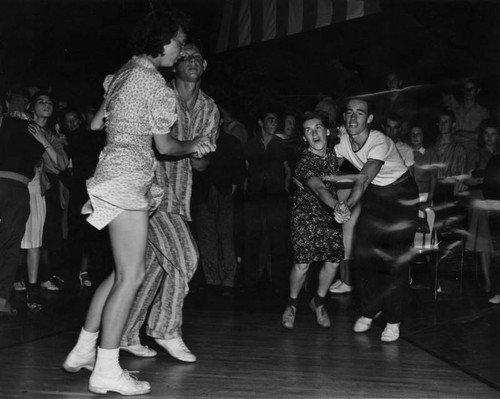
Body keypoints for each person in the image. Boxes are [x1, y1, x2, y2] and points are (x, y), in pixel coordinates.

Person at [62, 12, 215, 396]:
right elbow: (165, 147)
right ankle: (107, 369)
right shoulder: (155, 86)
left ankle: (83, 350)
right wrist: (194, 143)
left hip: (110, 175)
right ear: (161, 42)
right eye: (178, 44)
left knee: (120, 273)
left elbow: (97, 124)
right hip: (129, 181)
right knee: (132, 276)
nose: (180, 53)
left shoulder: (123, 74)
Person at [120, 39, 219, 363]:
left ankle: (126, 334)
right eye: (185, 55)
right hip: (147, 193)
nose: (191, 60)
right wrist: (191, 144)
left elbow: (200, 164)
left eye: (197, 57)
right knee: (187, 258)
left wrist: (200, 151)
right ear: (175, 64)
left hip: (179, 198)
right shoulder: (159, 94)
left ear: (204, 66)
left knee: (155, 268)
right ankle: (165, 328)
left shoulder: (209, 109)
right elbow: (158, 145)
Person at [327, 97, 419, 343]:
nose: (353, 118)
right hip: (377, 196)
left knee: (395, 261)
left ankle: (393, 321)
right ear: (344, 118)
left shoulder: (379, 141)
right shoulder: (343, 142)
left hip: (401, 197)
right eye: (349, 113)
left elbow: (364, 179)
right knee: (363, 255)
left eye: (360, 113)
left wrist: (345, 206)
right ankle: (370, 310)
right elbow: (326, 169)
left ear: (369, 119)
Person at [281, 111, 347, 330]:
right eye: (308, 131)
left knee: (334, 261)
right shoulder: (304, 163)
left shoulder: (336, 154)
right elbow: (320, 189)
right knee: (302, 263)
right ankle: (291, 305)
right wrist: (338, 205)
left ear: (327, 131)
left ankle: (318, 302)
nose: (314, 133)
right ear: (304, 138)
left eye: (318, 127)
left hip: (330, 216)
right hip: (306, 215)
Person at [20, 92, 68, 311]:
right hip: (13, 186)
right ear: (32, 106)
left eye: (50, 102)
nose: (46, 105)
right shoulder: (19, 123)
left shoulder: (52, 135)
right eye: (41, 101)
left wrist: (43, 140)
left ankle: (32, 292)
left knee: (34, 242)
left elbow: (61, 165)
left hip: (35, 188)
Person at [193, 110, 245, 295]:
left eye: (215, 119)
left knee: (226, 236)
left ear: (221, 121)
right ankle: (212, 280)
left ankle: (229, 279)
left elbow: (240, 168)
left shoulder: (231, 142)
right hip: (204, 195)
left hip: (224, 194)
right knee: (207, 238)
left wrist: (233, 187)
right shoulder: (198, 141)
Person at [243, 108, 292, 295]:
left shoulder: (281, 145)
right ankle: (249, 282)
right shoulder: (251, 145)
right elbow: (246, 169)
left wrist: (285, 188)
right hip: (254, 196)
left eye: (275, 119)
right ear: (261, 122)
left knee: (278, 239)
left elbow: (288, 169)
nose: (274, 123)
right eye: (270, 119)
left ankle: (279, 283)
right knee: (252, 238)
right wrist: (246, 192)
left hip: (276, 196)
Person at [463, 120, 500, 294]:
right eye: (486, 133)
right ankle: (487, 282)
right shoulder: (475, 153)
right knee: (484, 243)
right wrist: (484, 180)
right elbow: (467, 179)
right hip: (480, 198)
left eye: (493, 134)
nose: (490, 137)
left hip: (498, 198)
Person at [450, 78, 490, 154]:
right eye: (466, 89)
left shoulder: (483, 112)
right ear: (463, 90)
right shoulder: (455, 110)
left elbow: (481, 136)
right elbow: (450, 135)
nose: (468, 91)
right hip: (454, 153)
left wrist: (459, 132)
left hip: (474, 154)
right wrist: (472, 137)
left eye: (472, 89)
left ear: (477, 90)